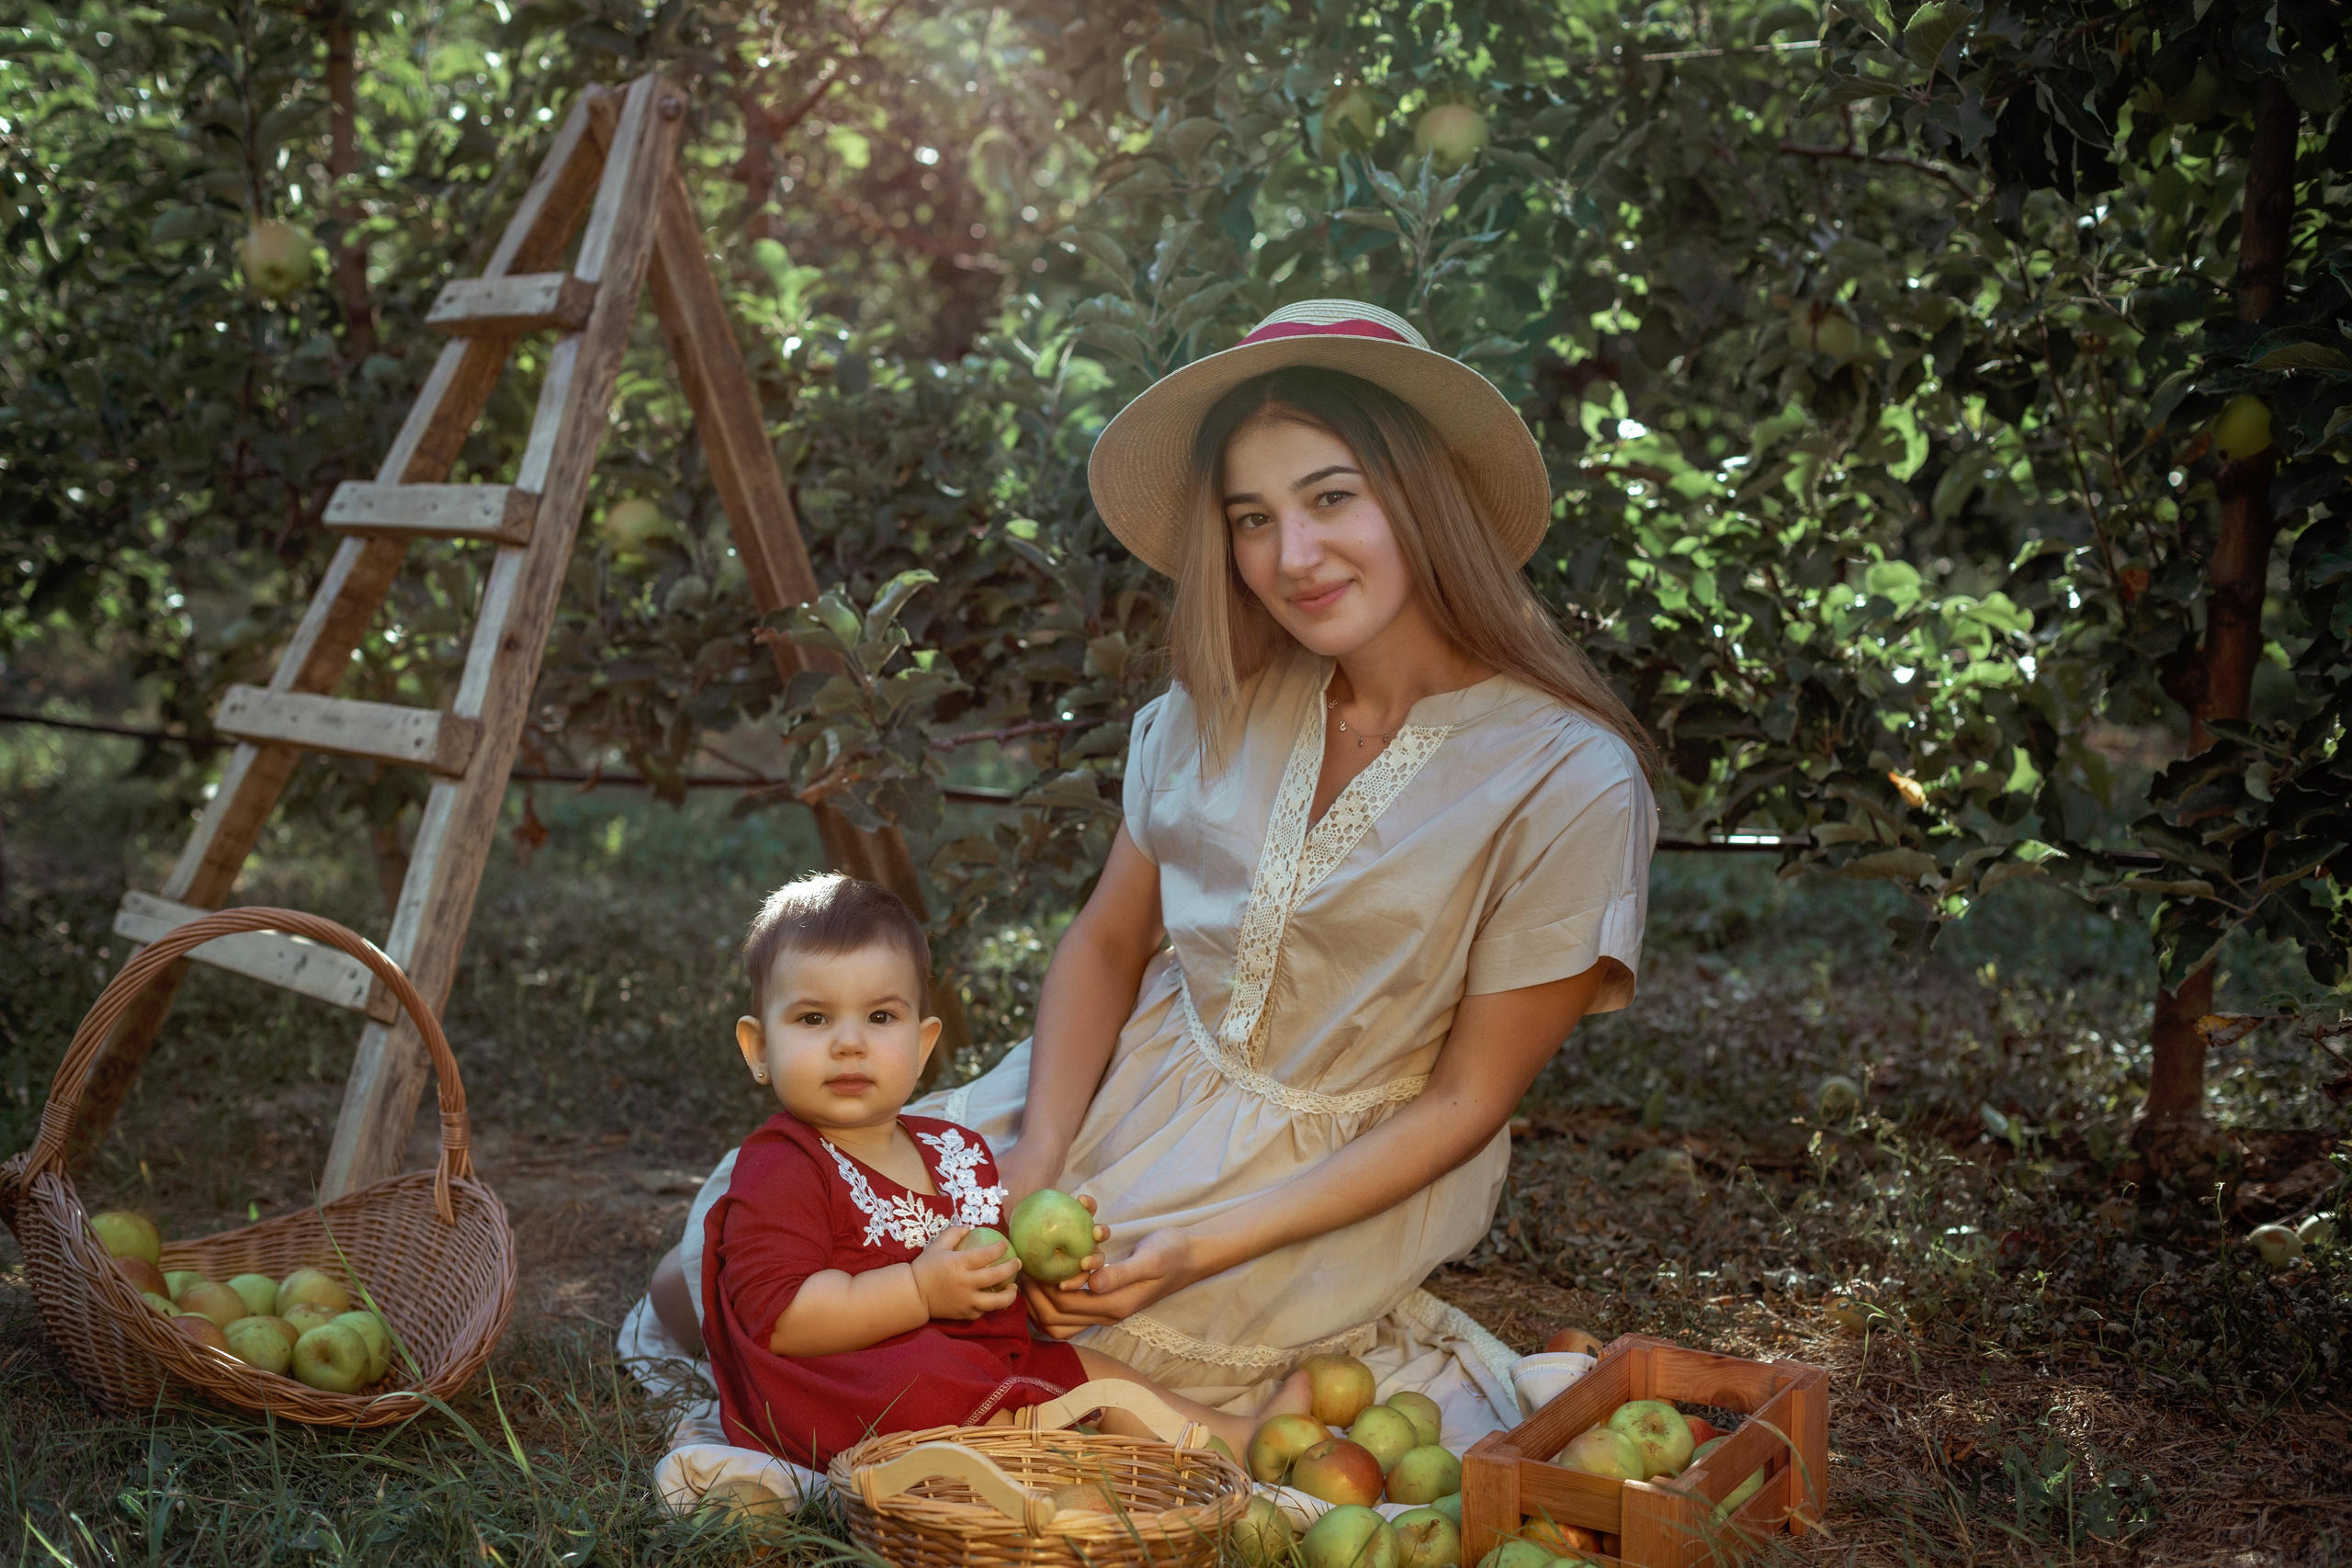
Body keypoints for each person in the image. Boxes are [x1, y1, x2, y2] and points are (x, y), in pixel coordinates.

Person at [646, 297, 1657, 1421]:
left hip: (1302, 1185)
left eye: (1330, 498)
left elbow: (1466, 1102)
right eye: (1251, 518)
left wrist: (1196, 1247)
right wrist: (1030, 1155)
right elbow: (1109, 940)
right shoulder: (1218, 707)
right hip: (1111, 1083)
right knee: (718, 1272)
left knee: (1018, 1358)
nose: (1293, 556)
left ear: (1421, 497)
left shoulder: (1567, 779)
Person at [697, 871, 1305, 1467]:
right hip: (856, 1382)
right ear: (758, 1048)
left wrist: (1039, 1269)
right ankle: (1046, 1463)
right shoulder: (783, 1163)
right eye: (813, 1018)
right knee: (931, 1382)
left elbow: (990, 1284)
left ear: (923, 1044)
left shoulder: (956, 1151)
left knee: (1084, 1371)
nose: (849, 1042)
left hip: (976, 1367)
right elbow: (779, 1319)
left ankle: (1237, 1437)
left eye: (881, 1017)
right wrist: (917, 1290)